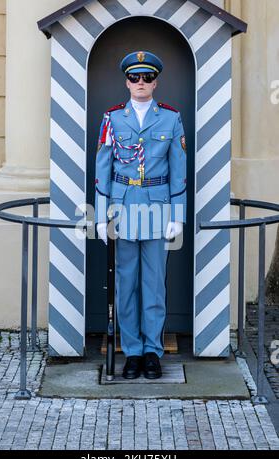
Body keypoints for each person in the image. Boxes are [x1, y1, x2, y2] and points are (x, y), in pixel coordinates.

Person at [94, 51, 187, 379]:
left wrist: (178, 214)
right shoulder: (113, 118)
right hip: (122, 208)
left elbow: (179, 171)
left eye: (147, 78)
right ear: (126, 81)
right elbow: (102, 169)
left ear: (155, 81)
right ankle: (131, 351)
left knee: (154, 285)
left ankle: (152, 352)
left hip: (158, 209)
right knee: (126, 284)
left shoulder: (171, 119)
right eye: (135, 77)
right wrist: (99, 216)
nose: (141, 83)